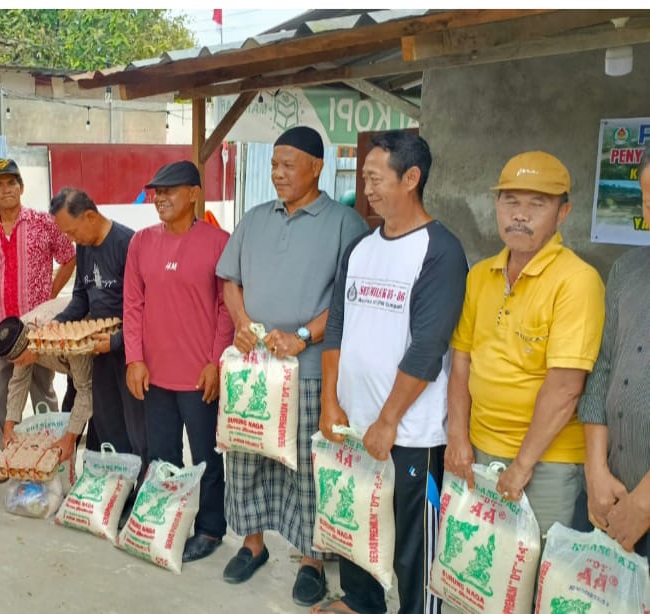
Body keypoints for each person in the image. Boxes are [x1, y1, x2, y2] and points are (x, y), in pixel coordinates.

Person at [316, 131, 467, 614]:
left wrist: (388, 421)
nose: (368, 190)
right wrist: (329, 402)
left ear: (412, 178)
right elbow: (336, 327)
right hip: (354, 425)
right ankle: (360, 603)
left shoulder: (440, 252)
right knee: (358, 521)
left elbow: (427, 348)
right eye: (365, 179)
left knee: (411, 546)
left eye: (376, 179)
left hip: (409, 434)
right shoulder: (361, 247)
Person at [216, 127, 367, 602]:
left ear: (317, 167)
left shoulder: (345, 223)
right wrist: (242, 322)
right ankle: (252, 544)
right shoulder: (256, 218)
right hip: (254, 367)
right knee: (245, 456)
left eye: (289, 164)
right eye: (274, 164)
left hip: (308, 370)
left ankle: (310, 558)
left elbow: (349, 302)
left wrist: (304, 336)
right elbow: (230, 281)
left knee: (305, 463)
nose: (278, 174)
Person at [447, 151, 605, 544]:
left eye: (537, 204)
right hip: (480, 451)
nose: (520, 214)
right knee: (479, 567)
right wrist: (458, 438)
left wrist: (522, 465)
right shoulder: (482, 274)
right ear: (497, 206)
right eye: (510, 201)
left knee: (533, 577)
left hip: (547, 463)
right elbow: (462, 360)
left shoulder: (577, 280)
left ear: (563, 213)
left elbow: (566, 387)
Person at [124, 160, 234, 563]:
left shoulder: (218, 242)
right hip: (155, 374)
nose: (161, 199)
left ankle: (209, 528)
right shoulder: (141, 242)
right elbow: (132, 304)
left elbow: (226, 308)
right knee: (162, 455)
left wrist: (216, 363)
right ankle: (169, 521)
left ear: (193, 194)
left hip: (198, 374)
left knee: (206, 457)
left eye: (170, 191)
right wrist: (134, 359)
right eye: (157, 192)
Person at [0, 158, 76, 445]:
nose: (6, 190)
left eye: (11, 183)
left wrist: (50, 295)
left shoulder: (44, 223)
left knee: (43, 393)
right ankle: (8, 458)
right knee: (1, 398)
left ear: (22, 187)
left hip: (37, 331)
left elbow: (69, 256)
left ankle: (50, 452)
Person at [578, 150, 650, 557]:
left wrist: (644, 503)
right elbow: (603, 371)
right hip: (612, 493)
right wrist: (596, 471)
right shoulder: (626, 271)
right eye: (649, 201)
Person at [49, 187, 148, 475]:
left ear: (90, 215)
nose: (71, 239)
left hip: (129, 350)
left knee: (135, 424)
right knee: (105, 420)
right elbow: (82, 295)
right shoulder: (85, 246)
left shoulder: (127, 244)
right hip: (98, 349)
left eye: (72, 231)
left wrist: (117, 342)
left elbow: (143, 308)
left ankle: (137, 487)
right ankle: (110, 486)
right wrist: (60, 322)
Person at [0, 316, 93, 462]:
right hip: (74, 370)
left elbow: (86, 389)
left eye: (20, 361)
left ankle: (94, 472)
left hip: (99, 360)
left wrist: (69, 439)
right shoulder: (22, 338)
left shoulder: (63, 339)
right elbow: (19, 381)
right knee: (69, 420)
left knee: (97, 426)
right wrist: (9, 427)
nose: (19, 365)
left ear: (31, 345)